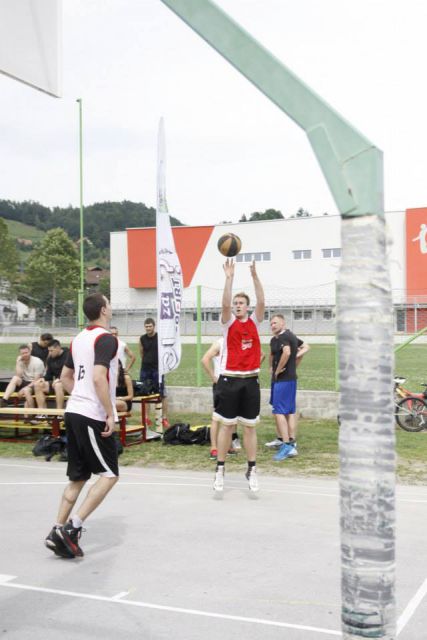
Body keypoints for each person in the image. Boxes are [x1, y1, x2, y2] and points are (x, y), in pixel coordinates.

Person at [44, 293, 119, 559]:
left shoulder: (78, 339)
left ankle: (56, 530)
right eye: (109, 303)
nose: (111, 307)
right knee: (110, 474)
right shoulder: (106, 338)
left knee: (78, 477)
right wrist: (109, 413)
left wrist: (82, 394)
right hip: (92, 414)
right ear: (103, 310)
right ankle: (73, 527)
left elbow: (65, 377)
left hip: (74, 411)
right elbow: (99, 377)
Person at [213, 259, 265, 494]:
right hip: (230, 379)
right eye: (235, 303)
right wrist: (229, 278)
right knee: (227, 427)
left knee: (250, 428)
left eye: (241, 303)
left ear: (248, 306)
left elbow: (262, 301)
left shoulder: (254, 321)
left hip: (250, 380)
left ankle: (251, 468)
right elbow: (224, 304)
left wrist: (254, 277)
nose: (237, 305)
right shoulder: (228, 323)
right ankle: (220, 468)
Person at [269, 314, 310, 461]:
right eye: (271, 324)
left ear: (283, 323)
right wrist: (294, 359)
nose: (273, 325)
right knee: (289, 411)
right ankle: (290, 442)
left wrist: (279, 369)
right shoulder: (288, 336)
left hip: (284, 379)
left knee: (279, 411)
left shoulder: (284, 336)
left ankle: (287, 446)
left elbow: (286, 352)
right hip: (288, 379)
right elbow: (305, 347)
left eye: (275, 323)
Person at [201, 338, 241, 460]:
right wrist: (214, 377)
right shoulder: (220, 342)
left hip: (234, 382)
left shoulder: (237, 341)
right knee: (217, 417)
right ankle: (214, 448)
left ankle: (228, 446)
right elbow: (205, 359)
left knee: (232, 417)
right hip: (221, 384)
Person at [0, 345, 44, 421]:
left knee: (26, 391)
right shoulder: (20, 360)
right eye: (23, 353)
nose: (25, 355)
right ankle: (4, 400)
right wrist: (18, 363)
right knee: (15, 378)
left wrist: (24, 388)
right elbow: (19, 375)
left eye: (26, 352)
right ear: (20, 354)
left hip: (36, 384)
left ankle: (32, 415)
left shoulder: (37, 362)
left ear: (30, 352)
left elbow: (36, 380)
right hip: (25, 381)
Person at [139, 317, 169, 429]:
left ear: (154, 326)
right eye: (146, 327)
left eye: (150, 326)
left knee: (161, 394)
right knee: (145, 395)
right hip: (145, 370)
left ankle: (163, 418)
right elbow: (141, 353)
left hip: (157, 370)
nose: (148, 328)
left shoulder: (159, 337)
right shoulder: (142, 339)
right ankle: (146, 418)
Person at [34, 339, 69, 410]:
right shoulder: (50, 358)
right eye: (49, 350)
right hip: (56, 382)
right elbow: (49, 375)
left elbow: (70, 372)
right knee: (38, 385)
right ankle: (42, 412)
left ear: (58, 348)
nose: (49, 353)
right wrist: (42, 379)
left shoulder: (68, 356)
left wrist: (59, 379)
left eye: (51, 351)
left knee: (58, 385)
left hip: (68, 382)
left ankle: (59, 412)